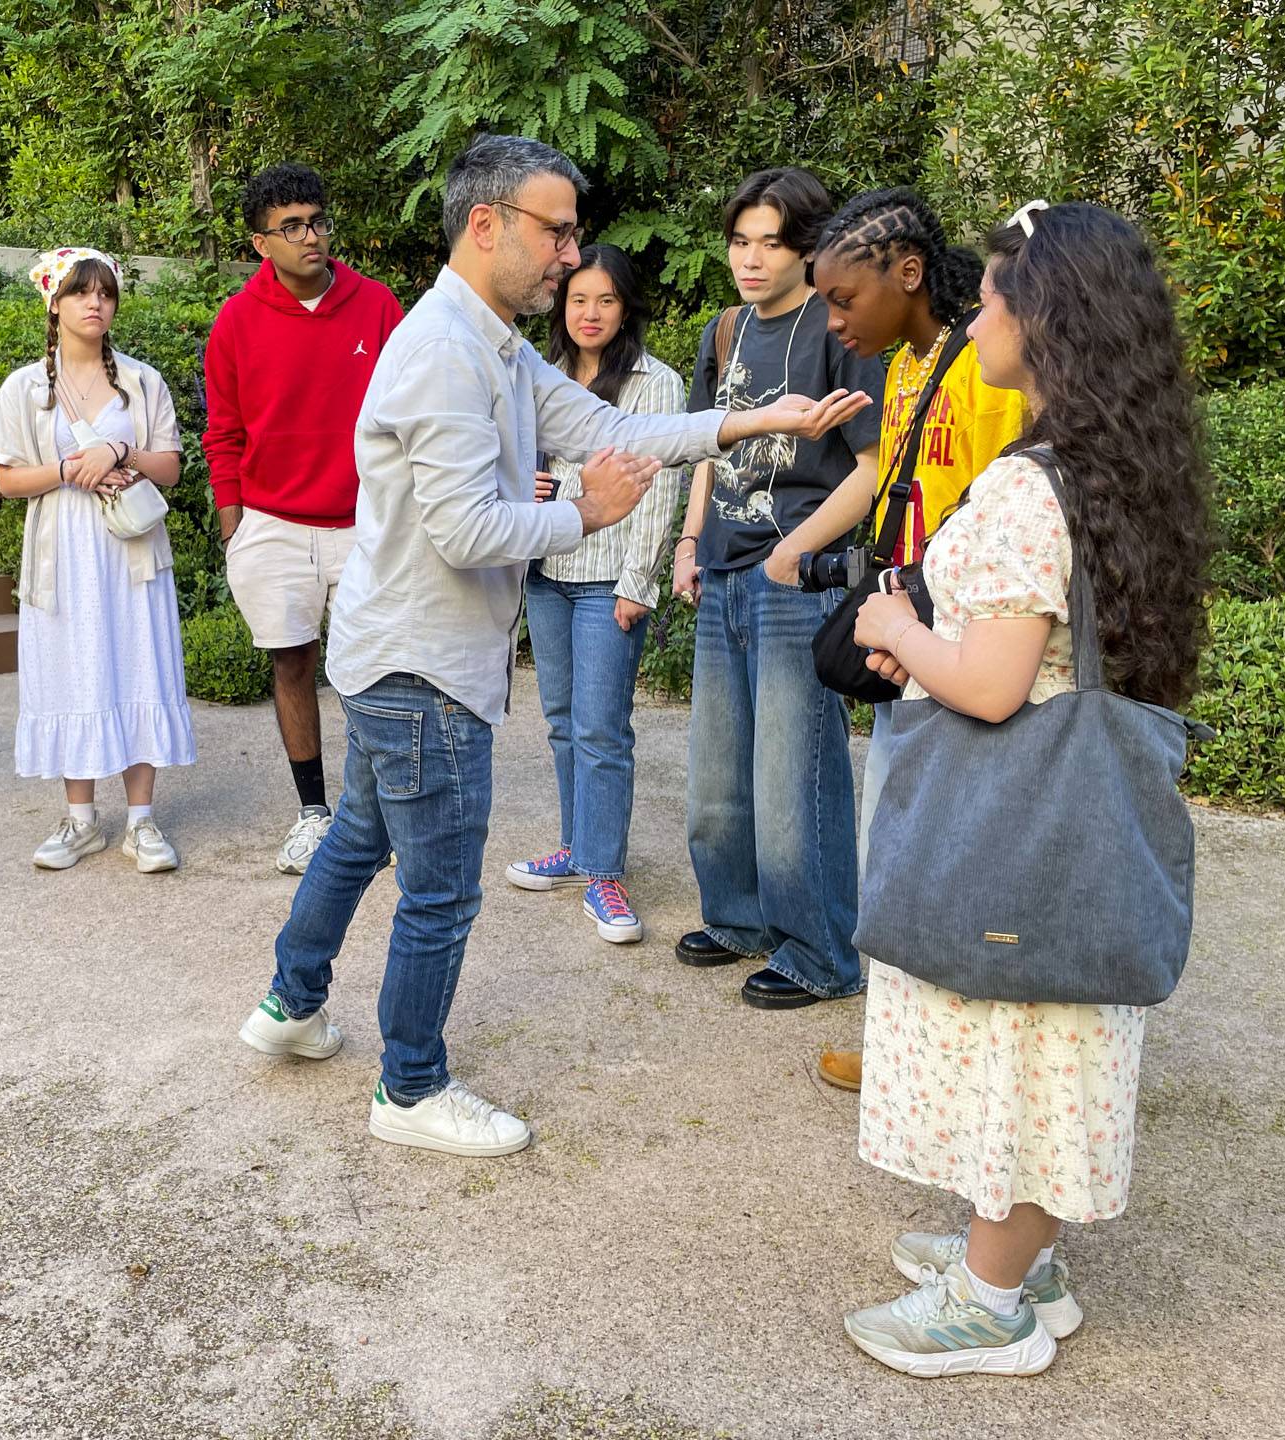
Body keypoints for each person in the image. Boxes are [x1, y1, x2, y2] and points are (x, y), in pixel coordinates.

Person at [235, 135, 870, 1158]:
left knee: (361, 837)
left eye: (573, 233)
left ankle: (290, 1003)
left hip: (402, 653)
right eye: (557, 231)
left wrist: (742, 429)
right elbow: (467, 529)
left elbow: (589, 417)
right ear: (486, 225)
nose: (571, 257)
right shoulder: (445, 350)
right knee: (438, 889)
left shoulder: (488, 340)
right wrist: (585, 511)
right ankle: (410, 1087)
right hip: (423, 664)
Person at [841, 201, 1210, 1376]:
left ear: (1044, 318)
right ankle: (1021, 1258)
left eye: (996, 294)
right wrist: (944, 643)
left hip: (1012, 810)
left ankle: (988, 1306)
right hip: (1080, 814)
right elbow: (1052, 654)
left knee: (1011, 1035)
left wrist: (900, 622)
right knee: (1047, 1036)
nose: (979, 310)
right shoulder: (1128, 463)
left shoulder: (1028, 484)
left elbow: (995, 687)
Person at [801, 187, 1028, 1087]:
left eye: (844, 299)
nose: (835, 318)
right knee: (891, 844)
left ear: (908, 272)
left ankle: (928, 1048)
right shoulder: (900, 368)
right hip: (909, 639)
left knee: (934, 851)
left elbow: (1007, 508)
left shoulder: (984, 368)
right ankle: (900, 1036)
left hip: (961, 646)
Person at [669, 168, 884, 1010]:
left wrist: (792, 552)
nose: (751, 260)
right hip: (721, 567)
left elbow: (870, 470)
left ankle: (822, 953)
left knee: (796, 770)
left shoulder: (839, 332)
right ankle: (739, 918)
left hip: (796, 577)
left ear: (809, 249)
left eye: (772, 243)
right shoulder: (724, 332)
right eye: (740, 241)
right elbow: (707, 446)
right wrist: (689, 542)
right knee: (719, 768)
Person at [204, 163, 405, 873]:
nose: (310, 236)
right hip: (271, 525)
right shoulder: (236, 320)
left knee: (375, 669)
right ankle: (313, 812)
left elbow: (412, 411)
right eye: (290, 226)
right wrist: (235, 528)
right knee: (293, 662)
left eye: (317, 220)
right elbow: (223, 431)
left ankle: (375, 815)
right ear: (262, 242)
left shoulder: (377, 304)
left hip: (366, 523)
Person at [0, 247, 194, 872]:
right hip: (62, 553)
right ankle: (81, 820)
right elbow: (6, 480)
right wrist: (69, 469)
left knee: (138, 664)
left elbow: (172, 467)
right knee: (70, 669)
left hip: (130, 553)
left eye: (105, 293)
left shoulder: (141, 381)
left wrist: (121, 448)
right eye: (80, 293)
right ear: (54, 303)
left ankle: (141, 822)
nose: (95, 303)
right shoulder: (25, 388)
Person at [506, 244, 686, 944]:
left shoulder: (654, 384)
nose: (589, 313)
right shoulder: (541, 376)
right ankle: (579, 845)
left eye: (605, 300)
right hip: (550, 569)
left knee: (602, 728)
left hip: (611, 577)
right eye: (579, 299)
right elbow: (518, 466)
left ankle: (604, 872)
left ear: (626, 307)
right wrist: (530, 487)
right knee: (559, 719)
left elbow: (660, 483)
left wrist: (641, 581)